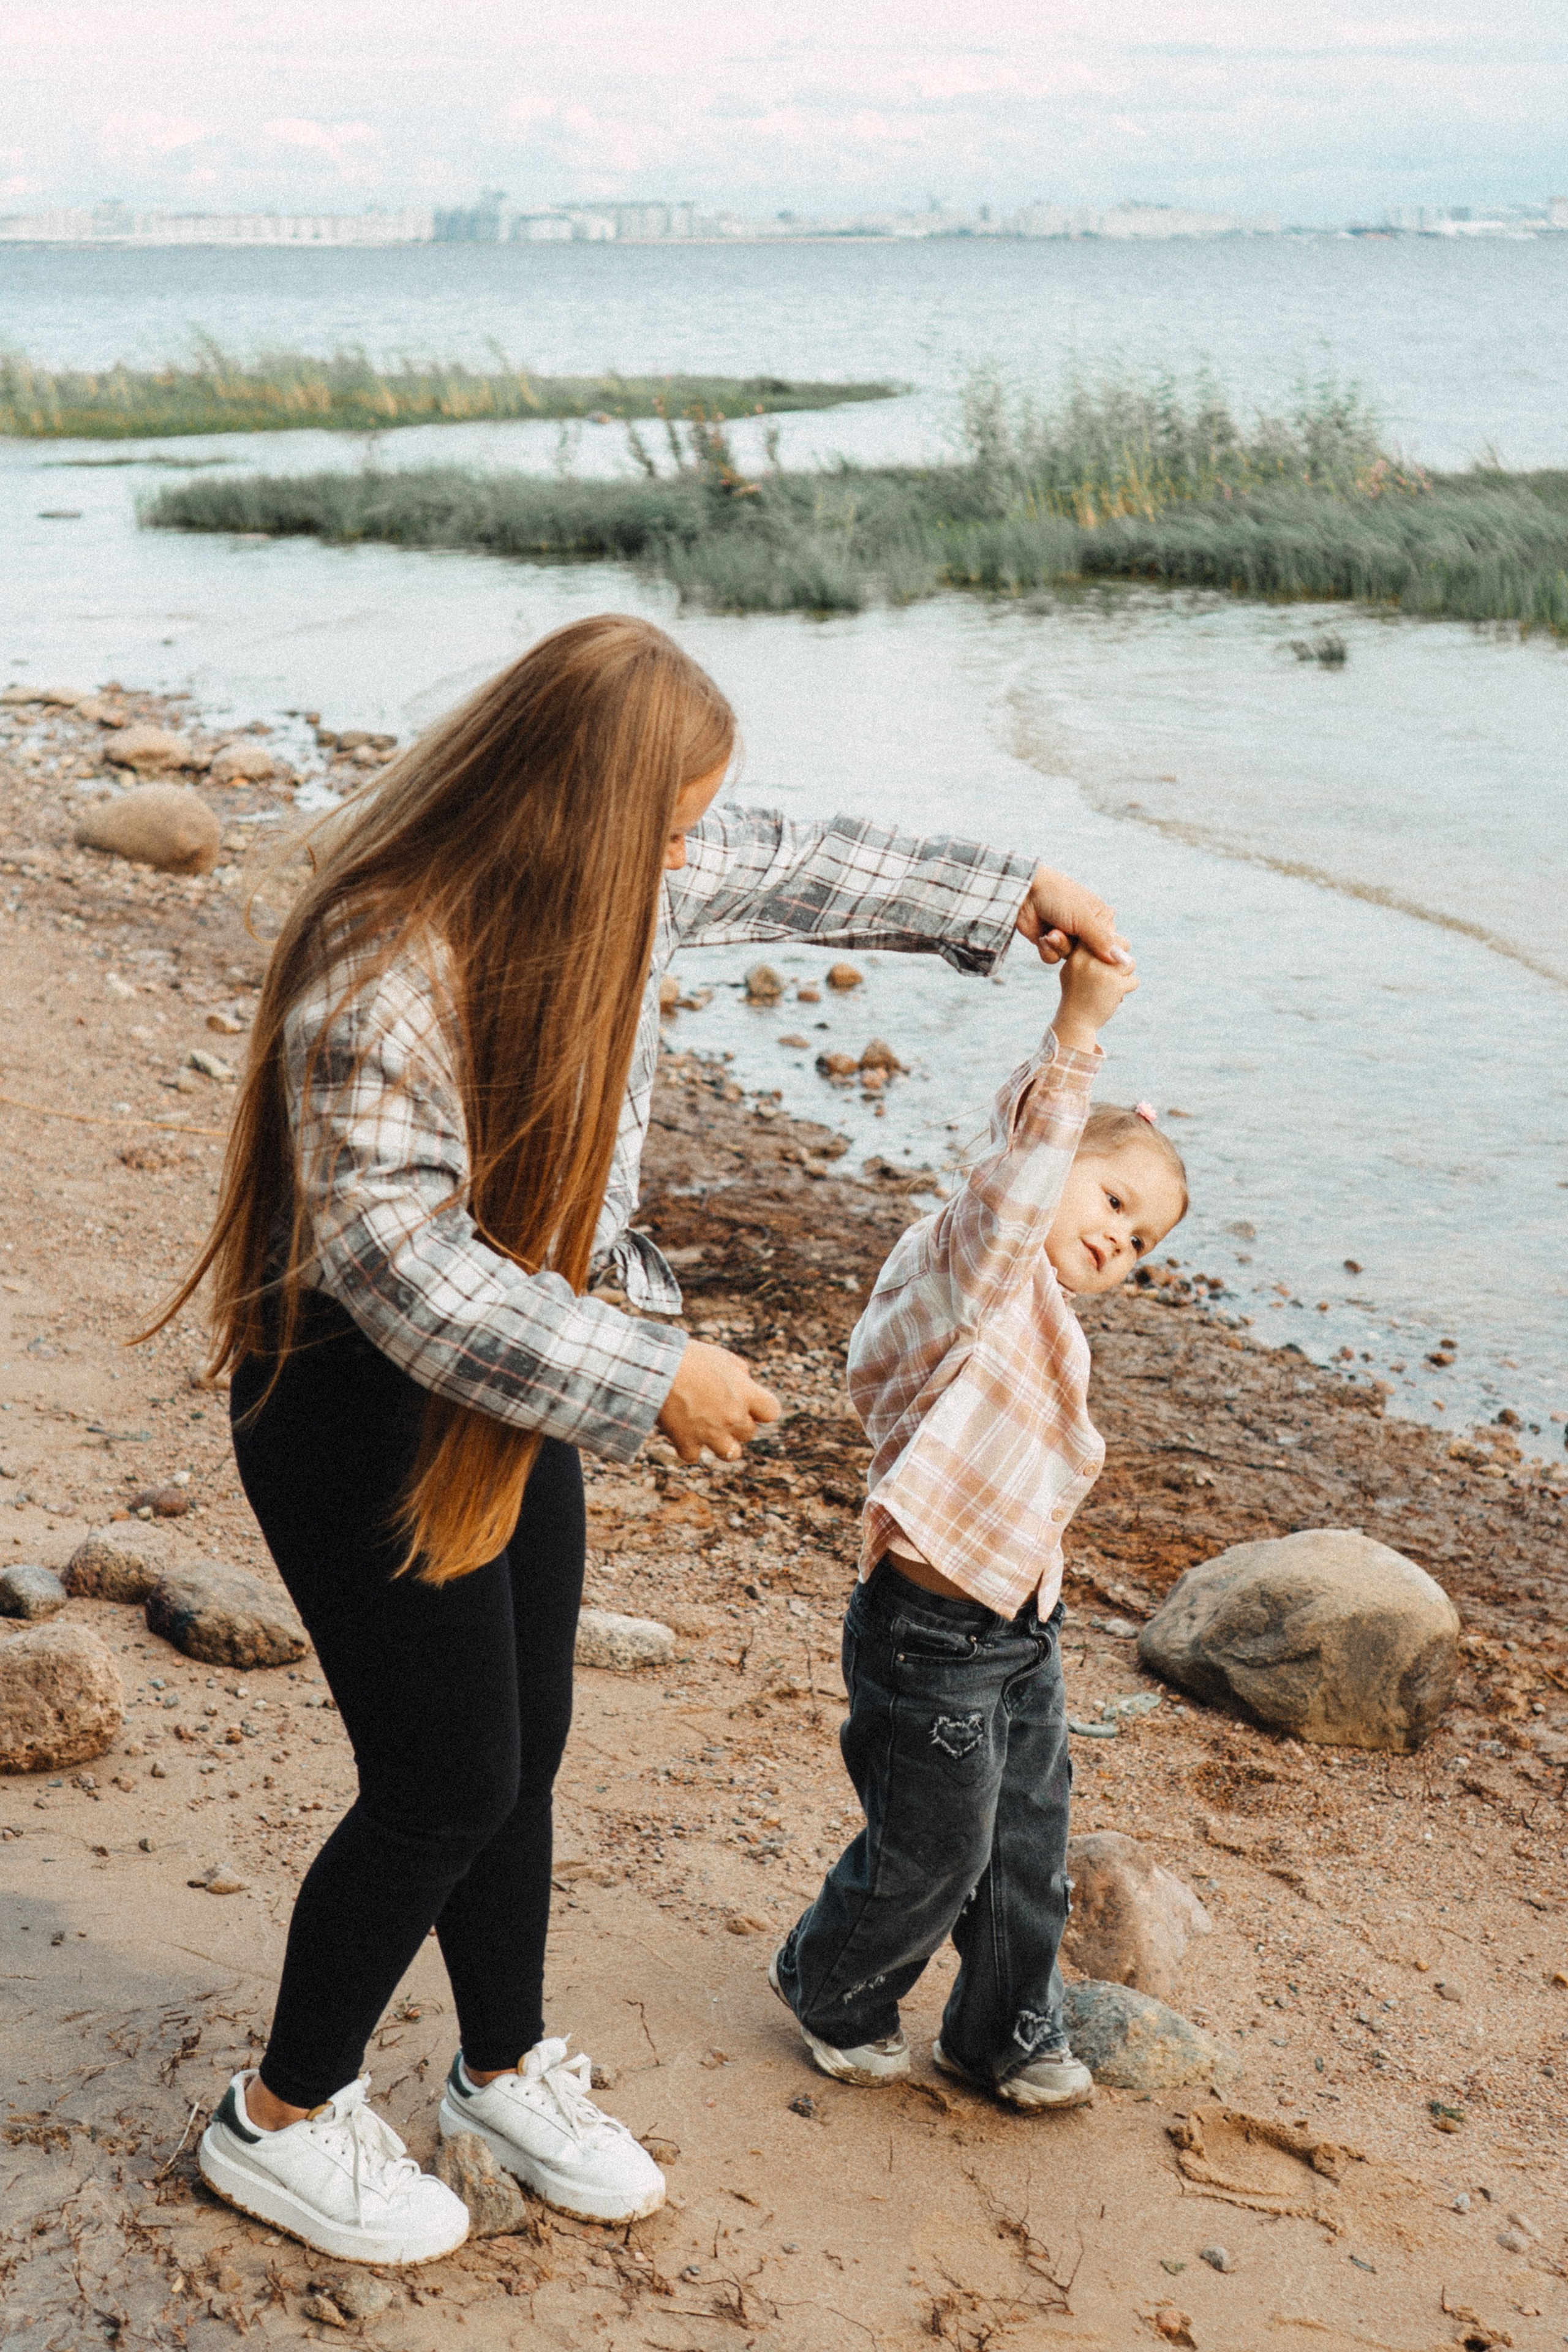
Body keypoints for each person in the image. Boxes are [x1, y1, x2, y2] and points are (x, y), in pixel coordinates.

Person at [150, 612, 1127, 2264]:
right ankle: (284, 2115)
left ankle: (501, 2064)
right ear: (580, 808)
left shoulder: (606, 875)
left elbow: (794, 863)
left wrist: (1008, 894)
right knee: (439, 1778)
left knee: (520, 1752)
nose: (693, 858)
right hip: (351, 1402)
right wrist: (646, 1370)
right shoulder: (380, 962)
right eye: (673, 827)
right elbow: (402, 1265)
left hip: (500, 1397)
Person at [770, 941, 1188, 2109]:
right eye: (1113, 1201)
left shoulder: (1052, 1316)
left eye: (1144, 1242)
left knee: (1025, 1854)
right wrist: (1080, 1024)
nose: (1121, 1240)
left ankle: (1000, 2031)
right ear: (1054, 1170)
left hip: (1020, 1632)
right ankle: (829, 1980)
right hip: (925, 1636)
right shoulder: (978, 1268)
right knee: (934, 1847)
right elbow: (1023, 1167)